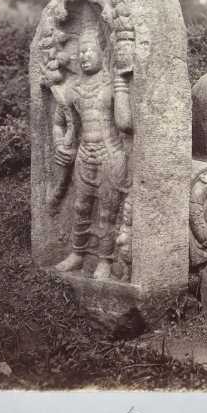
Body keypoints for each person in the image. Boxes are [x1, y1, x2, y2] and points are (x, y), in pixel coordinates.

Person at [52, 26, 133, 281]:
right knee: (80, 206)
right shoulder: (73, 89)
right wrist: (60, 145)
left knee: (108, 211)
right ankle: (78, 253)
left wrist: (121, 83)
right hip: (84, 154)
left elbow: (126, 124)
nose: (84, 56)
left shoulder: (112, 83)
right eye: (81, 52)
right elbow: (60, 121)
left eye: (89, 51)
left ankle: (105, 260)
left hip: (110, 154)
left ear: (102, 53)